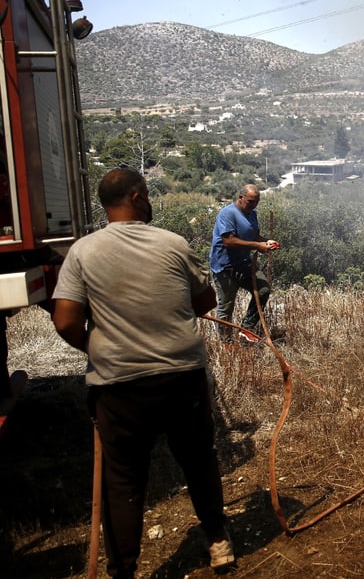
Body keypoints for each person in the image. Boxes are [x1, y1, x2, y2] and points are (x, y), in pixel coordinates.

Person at [51, 168, 234, 578]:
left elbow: (65, 321)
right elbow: (203, 301)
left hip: (119, 387)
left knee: (124, 481)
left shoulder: (83, 252)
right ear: (136, 198)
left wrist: (95, 348)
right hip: (180, 376)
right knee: (199, 460)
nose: (148, 201)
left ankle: (124, 570)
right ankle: (219, 541)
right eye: (147, 195)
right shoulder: (172, 243)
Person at [208, 184, 279, 339]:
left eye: (257, 201)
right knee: (226, 306)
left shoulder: (252, 214)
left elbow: (253, 236)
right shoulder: (227, 214)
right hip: (225, 267)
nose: (254, 205)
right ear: (241, 198)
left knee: (263, 290)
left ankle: (246, 330)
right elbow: (229, 241)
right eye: (251, 201)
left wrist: (266, 242)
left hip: (244, 264)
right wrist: (257, 246)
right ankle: (226, 342)